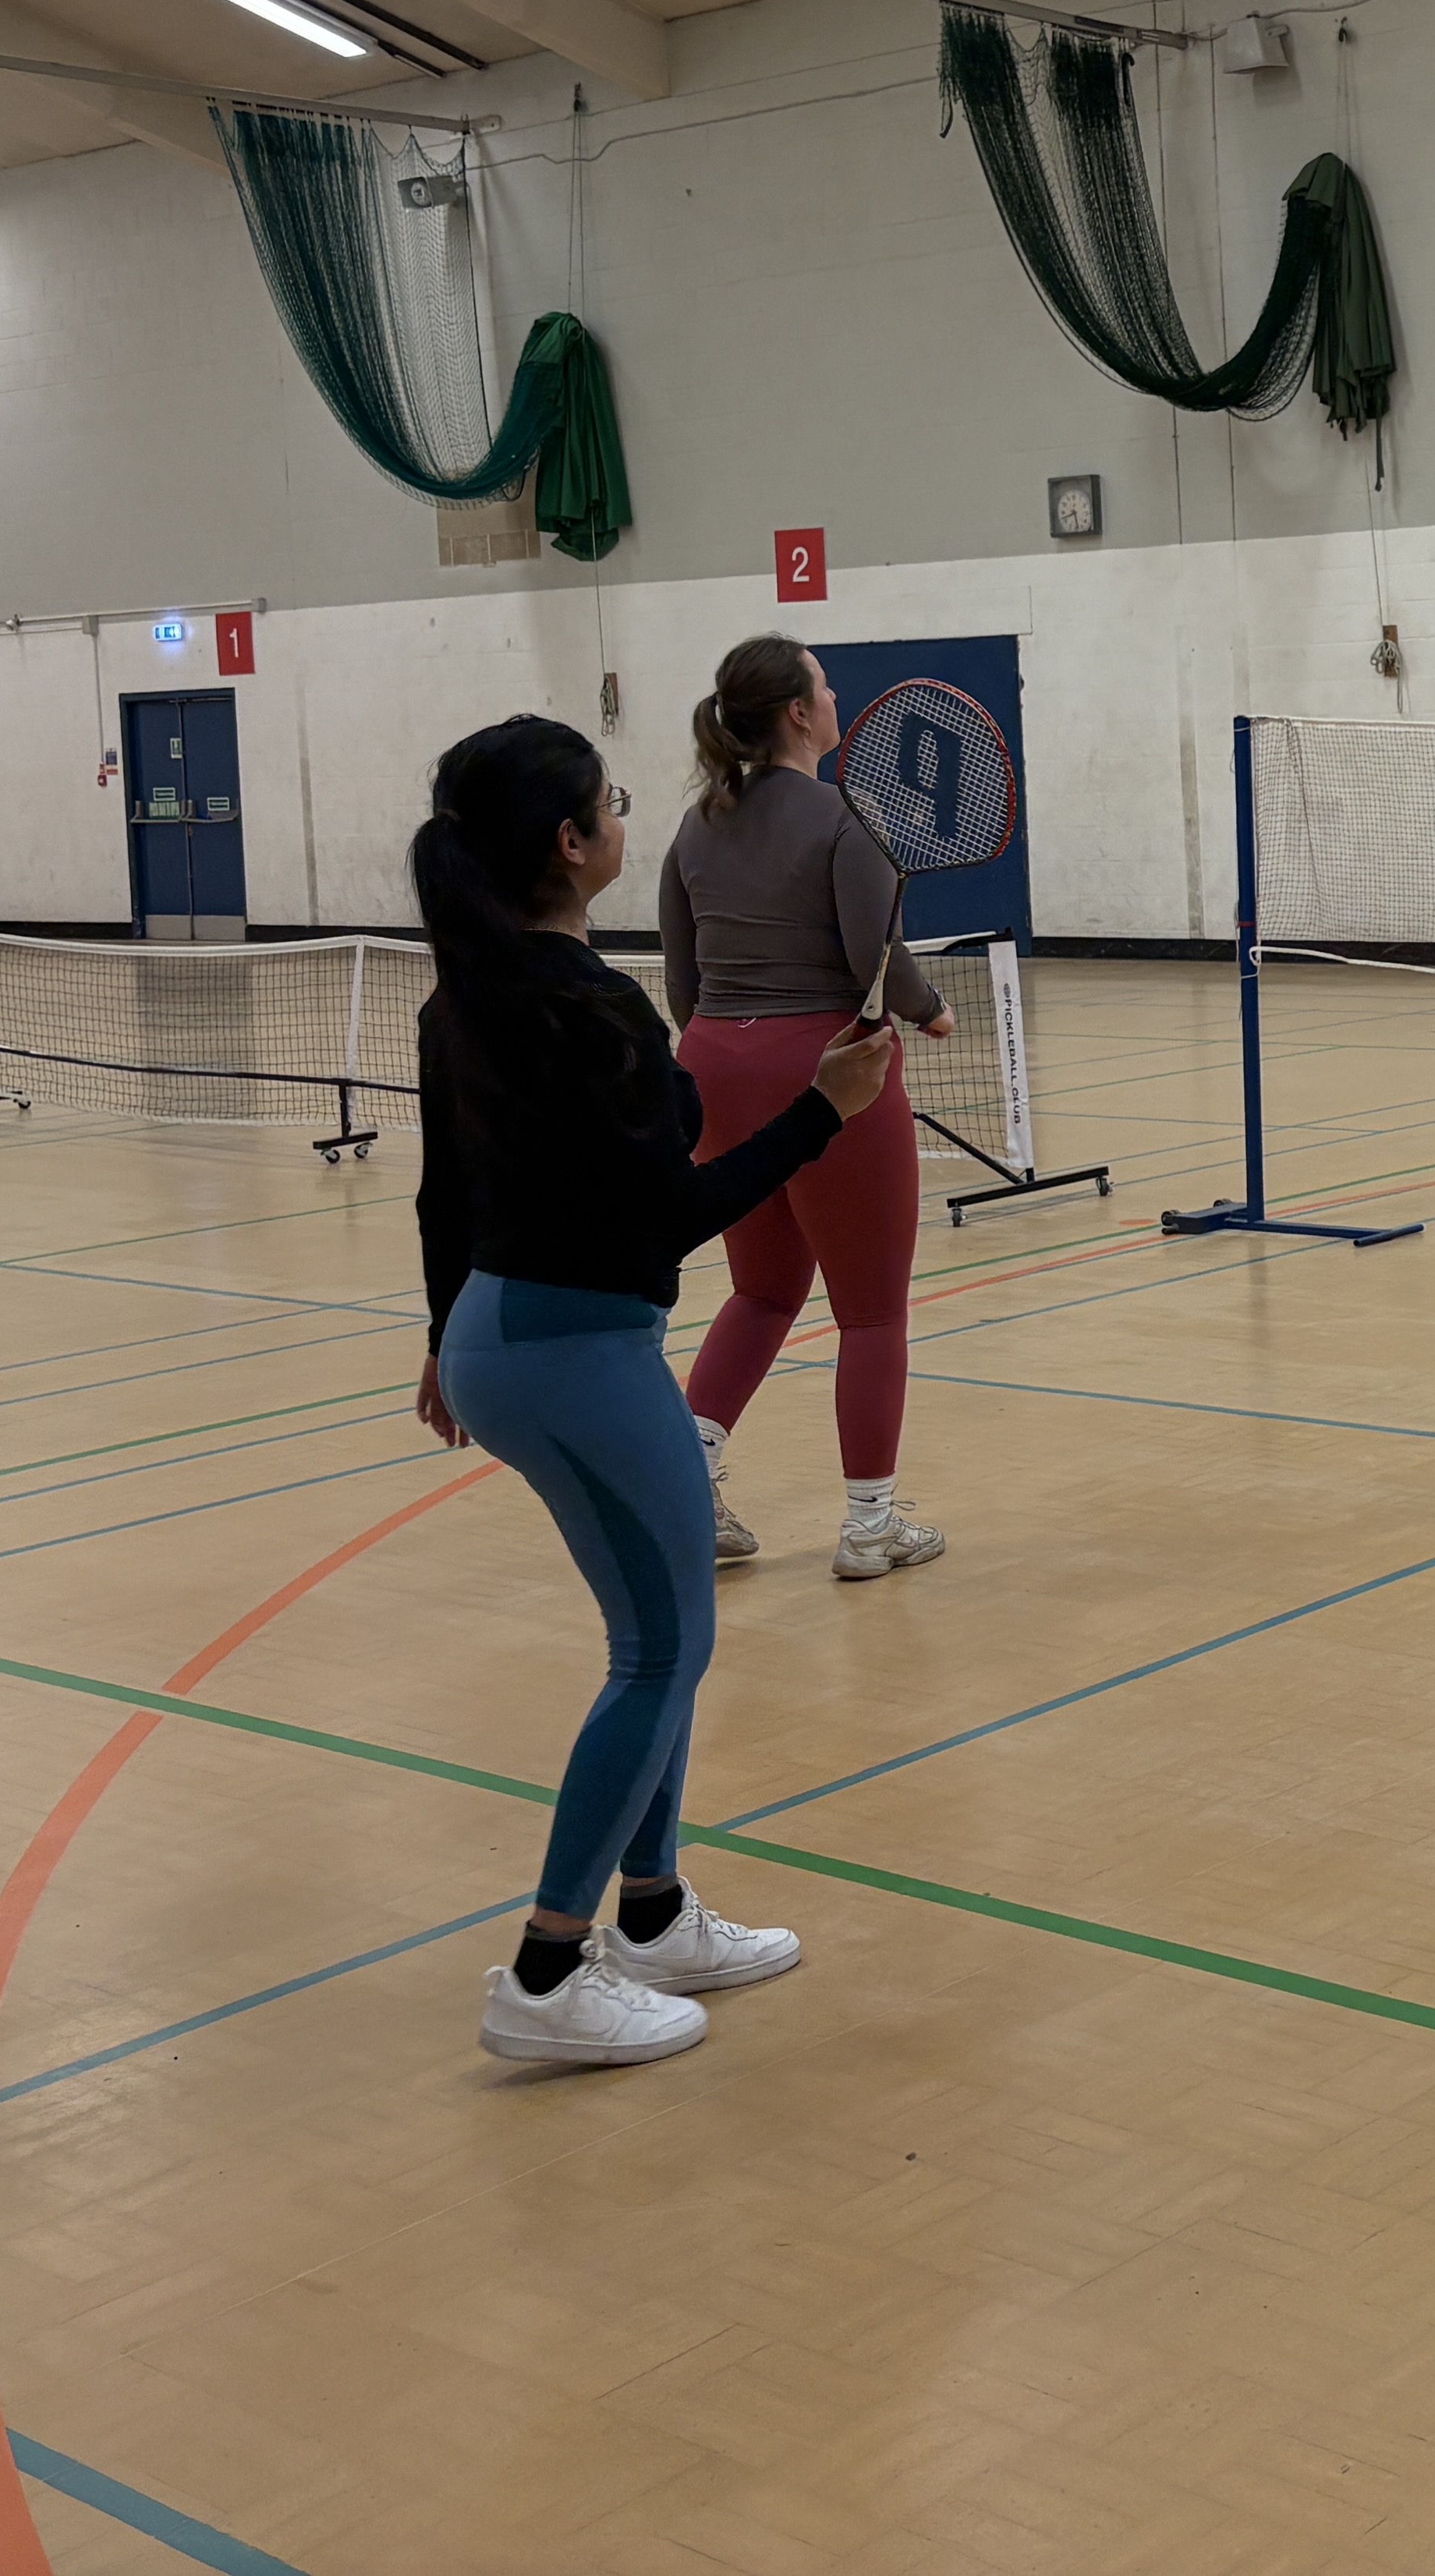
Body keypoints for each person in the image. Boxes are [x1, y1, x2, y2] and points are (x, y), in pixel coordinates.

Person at [411, 713, 892, 2068]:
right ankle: (546, 1971)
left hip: (515, 1334)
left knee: (665, 1632)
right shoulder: (587, 1009)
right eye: (611, 802)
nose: (628, 816)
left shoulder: (470, 995)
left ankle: (657, 1910)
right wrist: (825, 1110)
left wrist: (444, 1335)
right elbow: (663, 1220)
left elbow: (446, 1192)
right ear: (572, 843)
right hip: (572, 1350)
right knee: (659, 1650)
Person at [658, 636, 954, 1582]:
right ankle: (871, 1526)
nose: (833, 699)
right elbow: (878, 959)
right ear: (797, 713)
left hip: (714, 1063)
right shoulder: (846, 818)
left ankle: (689, 1491)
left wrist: (738, 1056)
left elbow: (682, 983)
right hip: (828, 1068)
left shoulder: (695, 825)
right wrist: (931, 1010)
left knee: (761, 1290)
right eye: (822, 687)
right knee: (869, 1312)